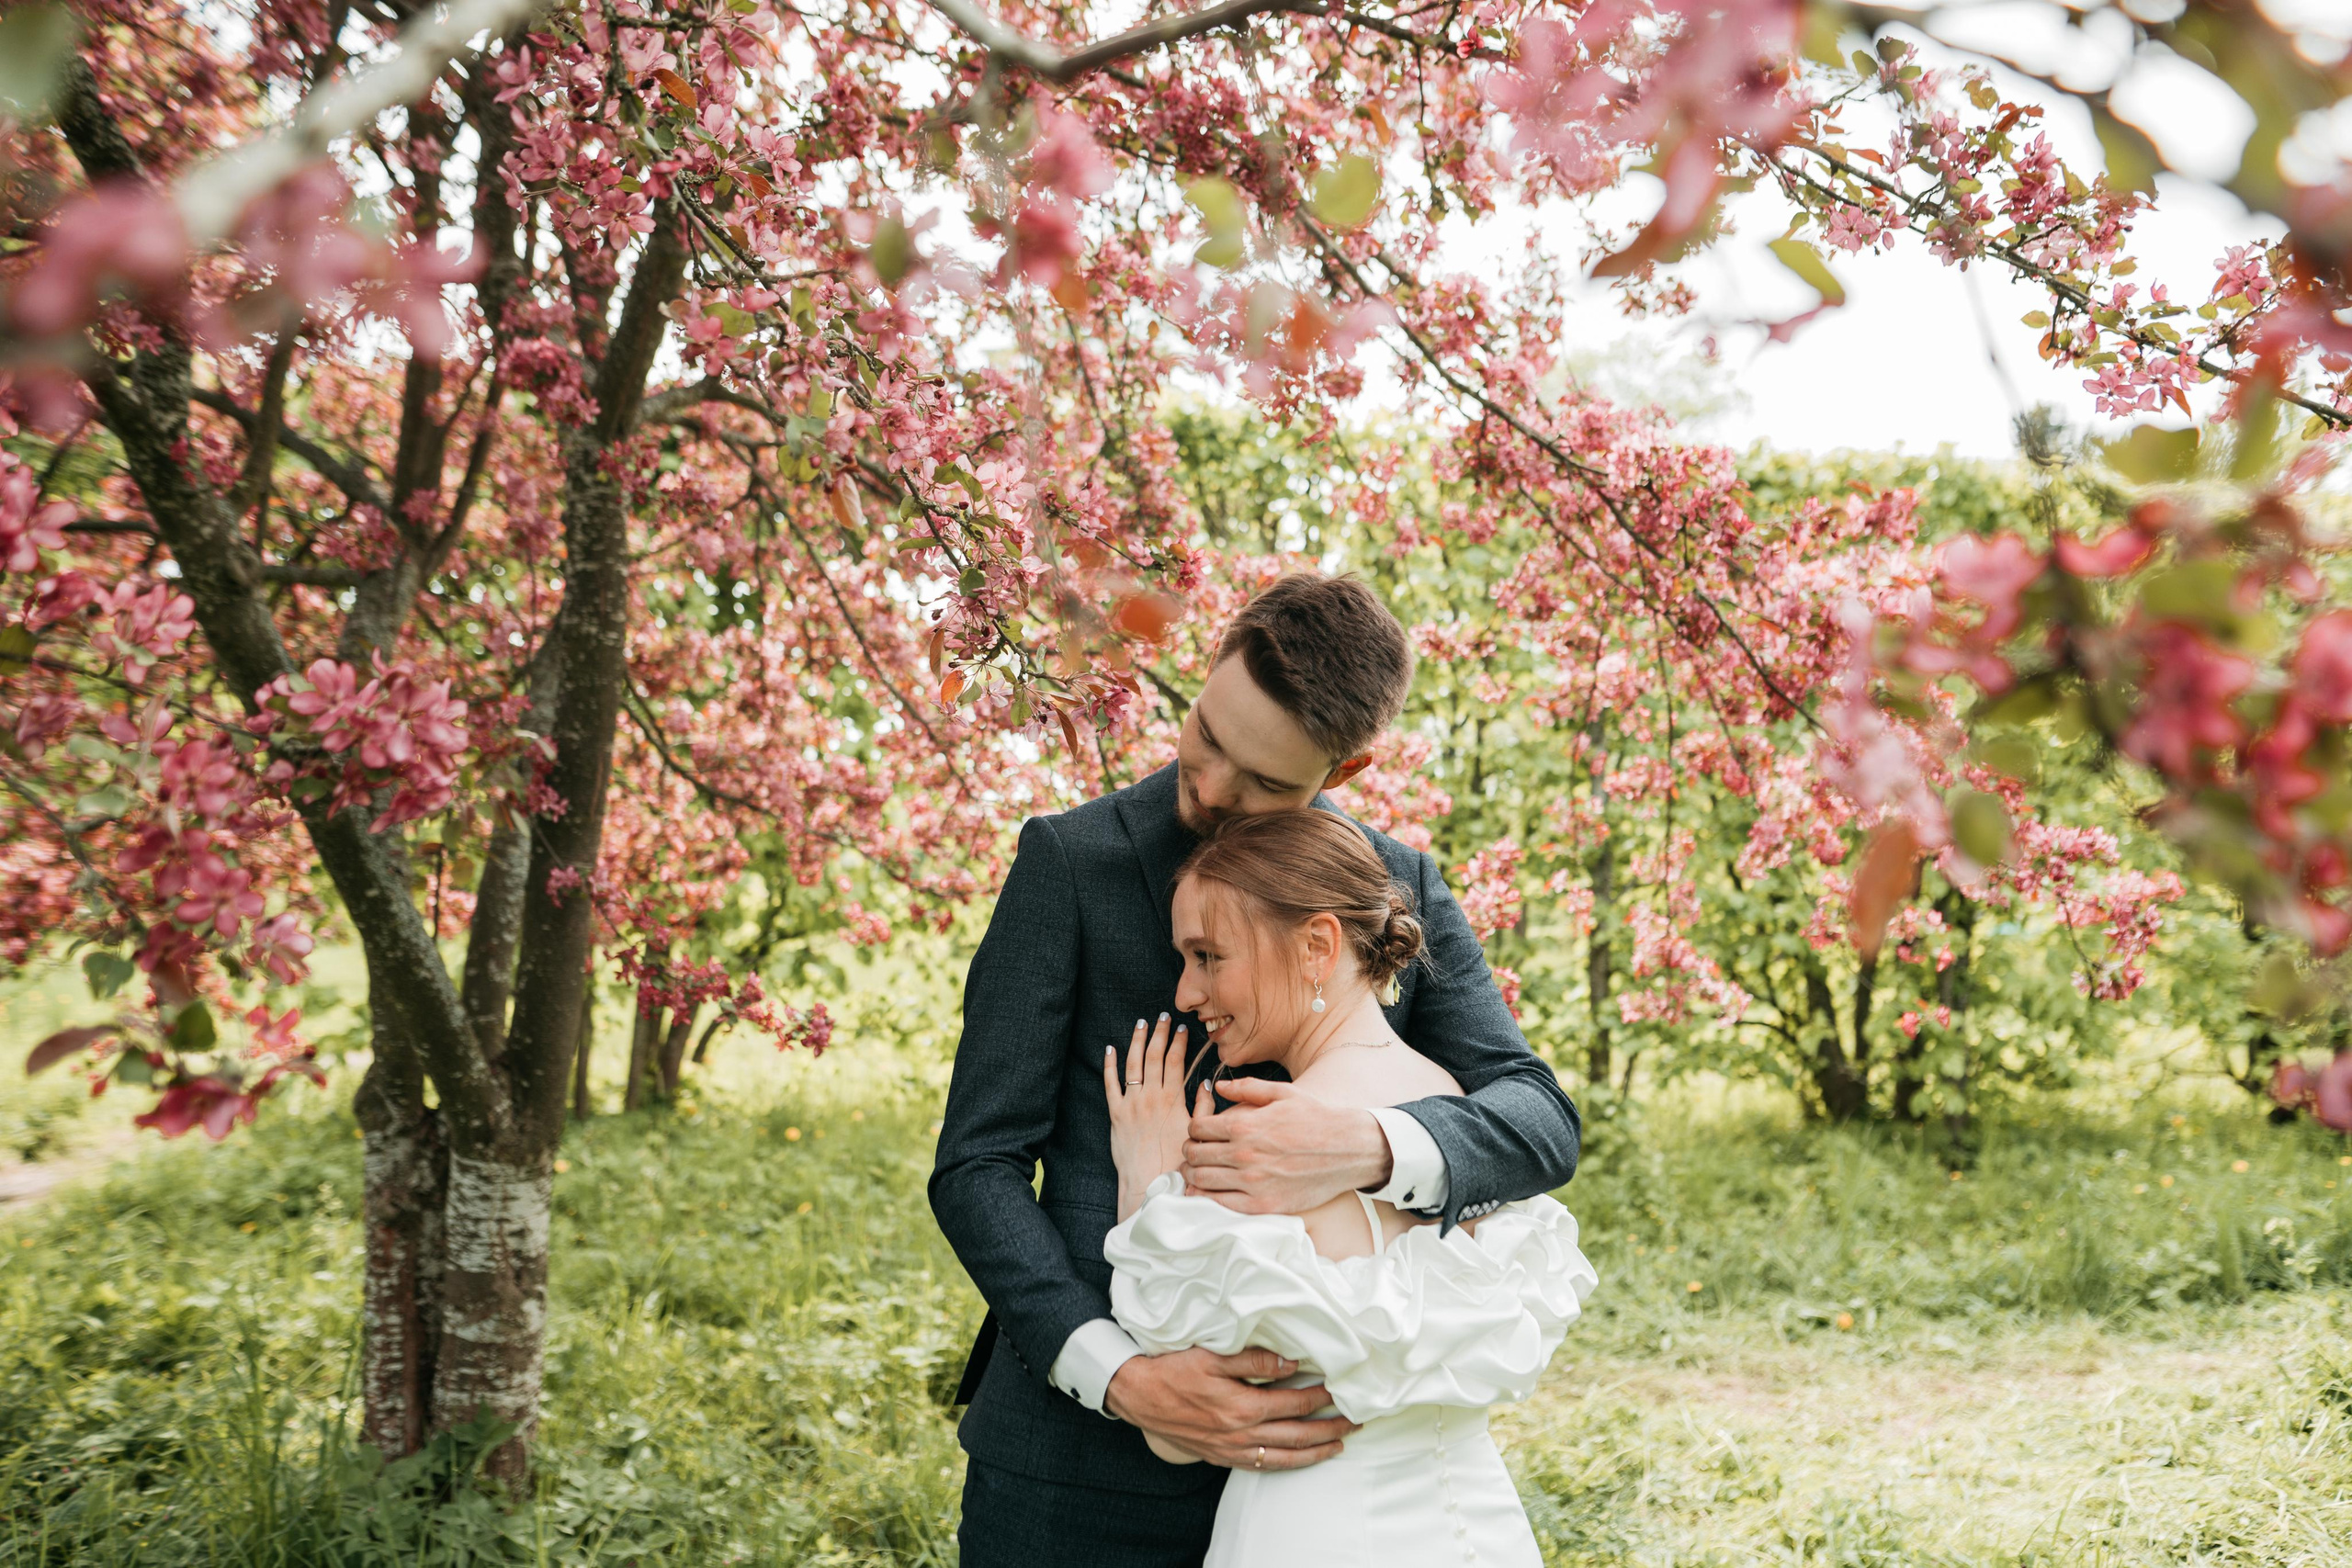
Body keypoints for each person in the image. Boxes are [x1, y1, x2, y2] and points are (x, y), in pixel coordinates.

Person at [930, 572, 1582, 1568]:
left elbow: (1537, 1120)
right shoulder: (1068, 864)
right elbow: (977, 1165)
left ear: (1348, 768)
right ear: (1206, 675)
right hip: (1079, 1479)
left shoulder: (1394, 885)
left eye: (1268, 782)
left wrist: (1361, 1144)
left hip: (1326, 1489)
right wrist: (1121, 1377)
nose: (1216, 791)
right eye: (1209, 737)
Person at [1102, 809, 1598, 1566]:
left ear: (1317, 945)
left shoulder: (1257, 1146)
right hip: (1475, 1527)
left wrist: (1145, 1175)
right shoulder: (1462, 1116)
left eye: (1208, 955)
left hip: (1305, 1534)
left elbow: (1174, 1435)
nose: (1185, 990)